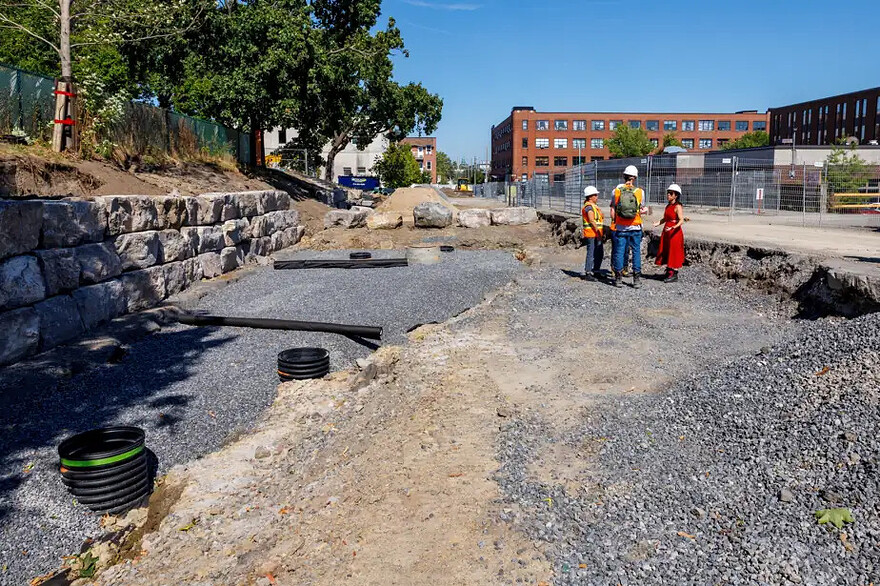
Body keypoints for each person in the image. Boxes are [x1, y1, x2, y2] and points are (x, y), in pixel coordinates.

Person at [609, 164, 648, 288]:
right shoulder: (640, 192)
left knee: (620, 252)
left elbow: (613, 209)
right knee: (636, 252)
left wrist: (615, 223)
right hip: (635, 227)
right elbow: (641, 209)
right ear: (634, 178)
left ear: (624, 177)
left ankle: (618, 279)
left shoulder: (616, 191)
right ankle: (636, 279)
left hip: (621, 228)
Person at [653, 183, 685, 282]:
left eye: (671, 193)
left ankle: (674, 273)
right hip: (667, 231)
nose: (668, 195)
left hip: (674, 233)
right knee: (666, 250)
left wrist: (673, 227)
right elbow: (665, 218)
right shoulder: (668, 206)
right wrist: (658, 223)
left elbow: (681, 220)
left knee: (674, 252)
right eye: (668, 193)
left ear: (676, 195)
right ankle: (669, 271)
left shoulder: (678, 206)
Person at [581, 186, 604, 281]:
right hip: (592, 234)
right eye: (595, 195)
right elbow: (591, 220)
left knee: (599, 253)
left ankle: (596, 271)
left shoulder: (593, 206)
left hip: (596, 233)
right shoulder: (589, 207)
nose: (597, 197)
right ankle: (588, 272)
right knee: (591, 253)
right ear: (590, 197)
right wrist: (598, 232)